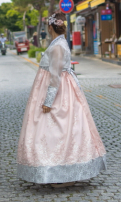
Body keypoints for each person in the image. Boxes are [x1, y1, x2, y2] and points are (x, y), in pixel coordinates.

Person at [17, 12, 106, 187]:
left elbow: (56, 76)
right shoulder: (59, 43)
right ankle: (62, 172)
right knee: (66, 129)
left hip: (59, 92)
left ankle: (60, 172)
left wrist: (48, 101)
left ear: (50, 27)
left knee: (53, 130)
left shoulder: (57, 46)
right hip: (63, 89)